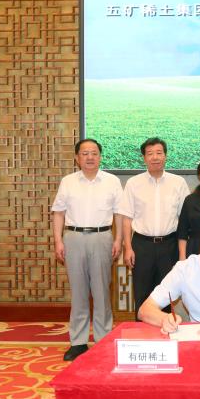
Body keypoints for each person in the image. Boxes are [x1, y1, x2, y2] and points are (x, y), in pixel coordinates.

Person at [51, 138, 123, 361]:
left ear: (100, 156)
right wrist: (58, 241)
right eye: (84, 153)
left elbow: (119, 214)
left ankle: (103, 340)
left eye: (94, 153)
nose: (90, 157)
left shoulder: (112, 181)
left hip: (102, 237)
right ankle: (78, 342)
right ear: (77, 158)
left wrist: (118, 239)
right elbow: (58, 213)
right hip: (73, 238)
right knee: (79, 292)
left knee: (102, 292)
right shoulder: (68, 181)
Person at [119, 137, 190, 314]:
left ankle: (165, 329)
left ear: (165, 156)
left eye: (159, 153)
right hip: (141, 246)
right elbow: (126, 218)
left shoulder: (178, 182)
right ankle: (141, 330)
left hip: (169, 245)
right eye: (150, 154)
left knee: (167, 294)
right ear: (144, 158)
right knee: (142, 294)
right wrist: (128, 248)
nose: (155, 157)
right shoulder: (133, 183)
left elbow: (185, 218)